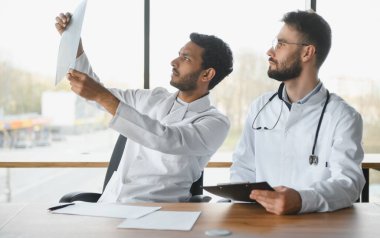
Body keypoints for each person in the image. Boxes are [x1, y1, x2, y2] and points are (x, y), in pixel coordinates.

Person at [55, 13, 233, 203]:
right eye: (178, 54)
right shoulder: (151, 98)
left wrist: (101, 95)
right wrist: (75, 44)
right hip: (109, 205)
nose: (174, 62)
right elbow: (94, 94)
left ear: (207, 74)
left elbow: (167, 139)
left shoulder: (215, 122)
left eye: (186, 58)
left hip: (160, 214)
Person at [230, 10, 365, 215]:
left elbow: (348, 183)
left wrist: (302, 200)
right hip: (260, 224)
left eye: (281, 44)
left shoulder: (343, 116)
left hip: (315, 227)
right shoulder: (260, 107)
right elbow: (242, 167)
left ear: (307, 53)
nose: (269, 51)